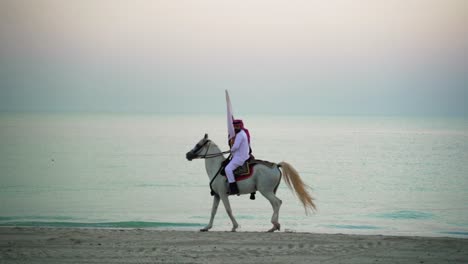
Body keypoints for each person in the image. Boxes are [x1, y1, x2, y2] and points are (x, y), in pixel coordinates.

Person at [225, 119, 251, 195]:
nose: (235, 128)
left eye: (237, 126)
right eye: (234, 126)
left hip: (240, 158)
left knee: (228, 169)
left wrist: (230, 150)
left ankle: (233, 188)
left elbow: (235, 146)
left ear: (240, 126)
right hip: (242, 155)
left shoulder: (240, 135)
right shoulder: (243, 133)